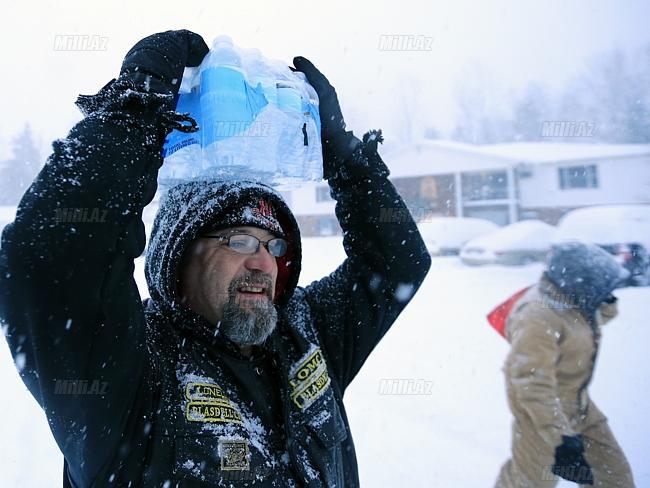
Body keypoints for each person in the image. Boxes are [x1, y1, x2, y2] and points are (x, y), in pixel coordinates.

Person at [0, 30, 431, 487]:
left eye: (274, 245)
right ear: (179, 254)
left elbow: (397, 265)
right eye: (240, 241)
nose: (264, 264)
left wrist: (347, 161)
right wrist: (137, 109)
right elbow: (49, 258)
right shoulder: (131, 373)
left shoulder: (304, 334)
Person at [494, 242, 636, 487]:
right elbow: (530, 382)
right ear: (579, 280)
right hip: (541, 414)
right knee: (529, 483)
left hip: (579, 406)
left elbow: (590, 324)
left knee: (613, 476)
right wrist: (559, 438)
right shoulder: (537, 316)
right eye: (600, 284)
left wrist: (605, 297)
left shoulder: (571, 301)